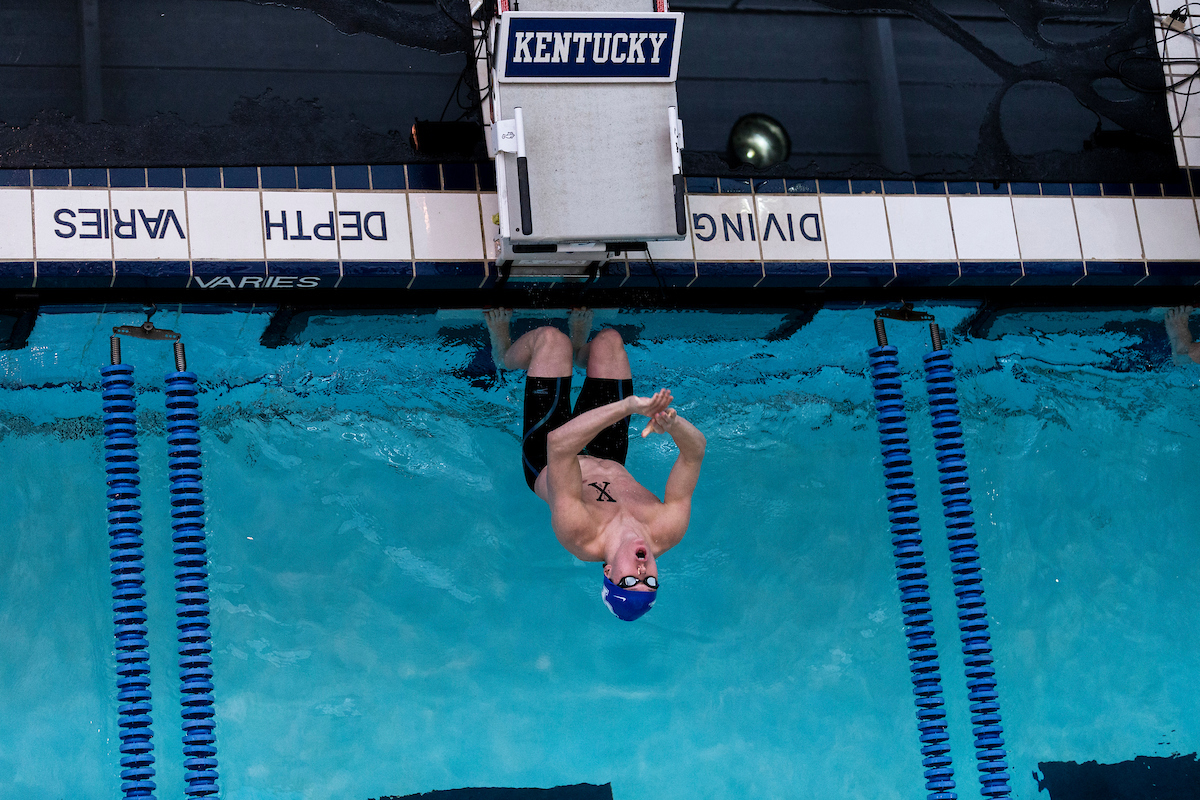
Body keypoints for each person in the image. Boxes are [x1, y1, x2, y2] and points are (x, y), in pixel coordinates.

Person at [485, 307, 706, 621]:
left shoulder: (580, 534)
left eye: (629, 580)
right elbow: (695, 452)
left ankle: (503, 354)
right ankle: (580, 351)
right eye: (650, 581)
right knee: (609, 341)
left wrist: (626, 407)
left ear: (609, 570)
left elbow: (559, 445)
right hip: (607, 454)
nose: (642, 571)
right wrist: (671, 423)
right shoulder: (667, 528)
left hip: (550, 457)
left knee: (550, 340)